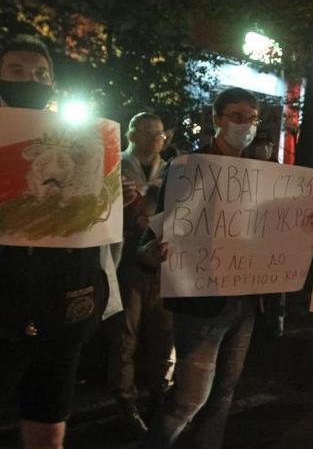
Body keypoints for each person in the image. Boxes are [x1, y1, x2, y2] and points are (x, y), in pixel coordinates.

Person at [139, 87, 286, 449]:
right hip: (202, 303)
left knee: (223, 395)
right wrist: (153, 253)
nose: (246, 125)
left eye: (251, 118)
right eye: (237, 116)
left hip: (245, 302)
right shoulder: (189, 167)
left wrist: (306, 225)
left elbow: (276, 228)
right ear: (217, 119)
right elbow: (153, 234)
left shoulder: (262, 173)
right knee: (189, 399)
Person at [0, 35, 114, 449]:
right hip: (4, 308)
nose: (30, 78)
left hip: (61, 310)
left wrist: (117, 200)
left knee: (49, 431)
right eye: (16, 70)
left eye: (41, 73)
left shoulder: (79, 140)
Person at [108, 112, 175, 437]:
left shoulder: (174, 170)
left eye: (158, 133)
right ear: (131, 134)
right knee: (126, 334)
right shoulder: (114, 164)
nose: (152, 138)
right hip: (126, 261)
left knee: (164, 333)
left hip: (162, 261)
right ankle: (125, 402)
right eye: (145, 132)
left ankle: (158, 395)